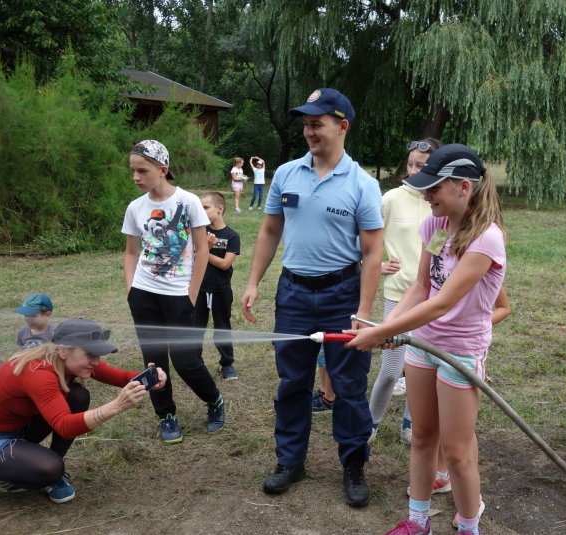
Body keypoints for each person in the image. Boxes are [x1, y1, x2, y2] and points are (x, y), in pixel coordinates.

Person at [347, 143, 506, 535]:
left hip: (460, 353)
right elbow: (421, 288)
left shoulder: (486, 239)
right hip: (423, 346)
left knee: (456, 453)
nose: (426, 195)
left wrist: (384, 332)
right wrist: (384, 325)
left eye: (434, 187)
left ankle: (469, 526)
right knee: (422, 437)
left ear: (464, 187)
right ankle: (418, 522)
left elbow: (443, 302)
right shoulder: (435, 226)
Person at [240, 88, 383, 506]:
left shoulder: (363, 183)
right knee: (292, 382)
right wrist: (253, 283)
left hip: (343, 294)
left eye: (316, 123)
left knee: (349, 386)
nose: (308, 131)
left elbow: (373, 253)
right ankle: (290, 462)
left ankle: (353, 465)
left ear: (342, 126)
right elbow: (270, 231)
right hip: (294, 293)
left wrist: (364, 312)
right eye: (305, 123)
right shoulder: (285, 174)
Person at [0, 319, 167, 504]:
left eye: (98, 355)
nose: (96, 361)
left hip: (15, 430)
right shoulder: (38, 372)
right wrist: (117, 405)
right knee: (50, 469)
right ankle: (15, 474)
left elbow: (118, 376)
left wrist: (149, 377)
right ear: (63, 350)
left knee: (77, 395)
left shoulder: (67, 359)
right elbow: (64, 426)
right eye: (90, 354)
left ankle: (29, 465)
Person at [123, 140, 225, 443]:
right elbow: (131, 253)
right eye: (133, 171)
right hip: (143, 294)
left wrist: (191, 294)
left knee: (185, 360)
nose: (136, 177)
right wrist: (131, 290)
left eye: (142, 171)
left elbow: (201, 251)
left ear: (162, 170)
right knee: (153, 361)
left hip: (179, 295)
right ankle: (166, 415)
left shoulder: (189, 201)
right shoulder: (136, 207)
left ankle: (214, 401)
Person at [369, 138, 443, 447]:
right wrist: (376, 264)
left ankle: (410, 425)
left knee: (422, 367)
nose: (412, 171)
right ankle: (368, 425)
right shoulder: (391, 198)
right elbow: (367, 241)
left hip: (432, 298)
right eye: (410, 164)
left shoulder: (439, 201)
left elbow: (441, 246)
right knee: (390, 371)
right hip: (399, 296)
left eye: (421, 166)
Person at [194, 192, 241, 379]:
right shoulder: (198, 231)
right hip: (199, 289)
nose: (201, 211)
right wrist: (202, 248)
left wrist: (203, 251)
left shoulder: (232, 236)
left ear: (220, 209)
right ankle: (195, 363)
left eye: (205, 207)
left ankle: (227, 363)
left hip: (221, 290)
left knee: (222, 327)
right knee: (196, 327)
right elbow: (190, 256)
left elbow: (225, 264)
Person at [0, 293, 55, 380]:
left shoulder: (55, 333)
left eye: (32, 316)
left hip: (40, 375)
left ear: (47, 315)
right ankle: (8, 389)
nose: (27, 319)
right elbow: (20, 354)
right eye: (25, 315)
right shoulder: (23, 331)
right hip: (21, 372)